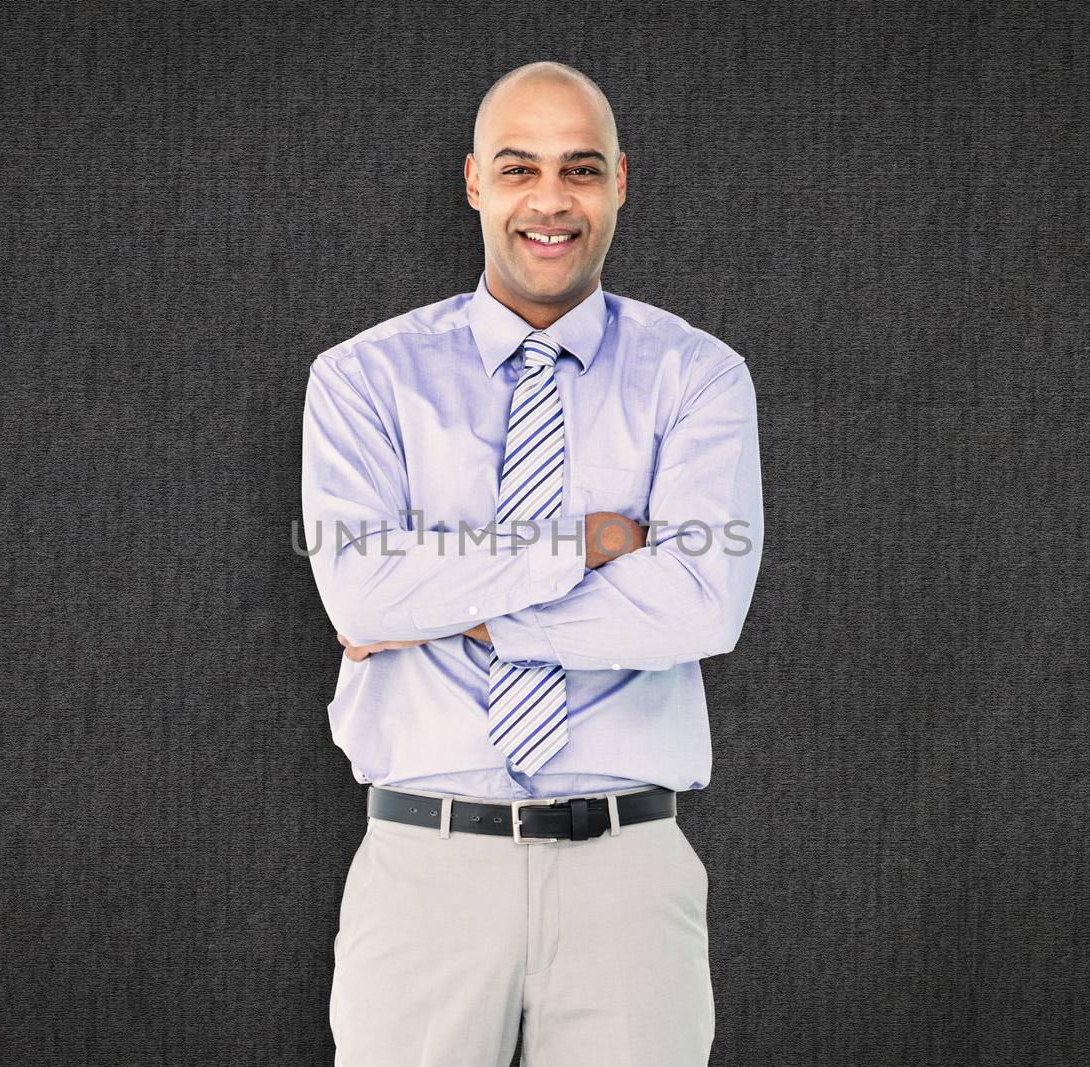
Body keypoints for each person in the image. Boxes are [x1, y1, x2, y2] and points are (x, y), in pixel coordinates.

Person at [300, 59, 763, 1067]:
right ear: (473, 182)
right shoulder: (361, 379)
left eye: (580, 170)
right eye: (519, 168)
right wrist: (586, 543)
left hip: (628, 876)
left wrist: (455, 604)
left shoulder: (699, 376)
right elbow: (360, 587)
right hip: (423, 869)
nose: (550, 200)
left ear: (620, 183)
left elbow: (699, 603)